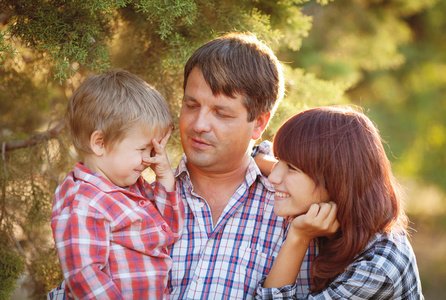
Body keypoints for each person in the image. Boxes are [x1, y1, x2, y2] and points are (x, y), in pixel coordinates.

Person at [48, 32, 316, 299]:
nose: (198, 125)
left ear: (259, 123)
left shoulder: (293, 214)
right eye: (191, 105)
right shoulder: (137, 198)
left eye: (221, 113)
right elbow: (81, 279)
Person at [255, 106, 424, 299]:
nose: (274, 177)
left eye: (292, 167)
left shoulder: (377, 267)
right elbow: (255, 156)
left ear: (337, 179)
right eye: (278, 161)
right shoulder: (341, 220)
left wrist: (298, 238)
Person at [50, 69, 184, 299]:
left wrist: (164, 179)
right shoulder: (84, 201)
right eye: (142, 149)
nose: (147, 159)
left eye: (151, 150)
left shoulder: (132, 188)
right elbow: (84, 276)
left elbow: (171, 230)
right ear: (100, 143)